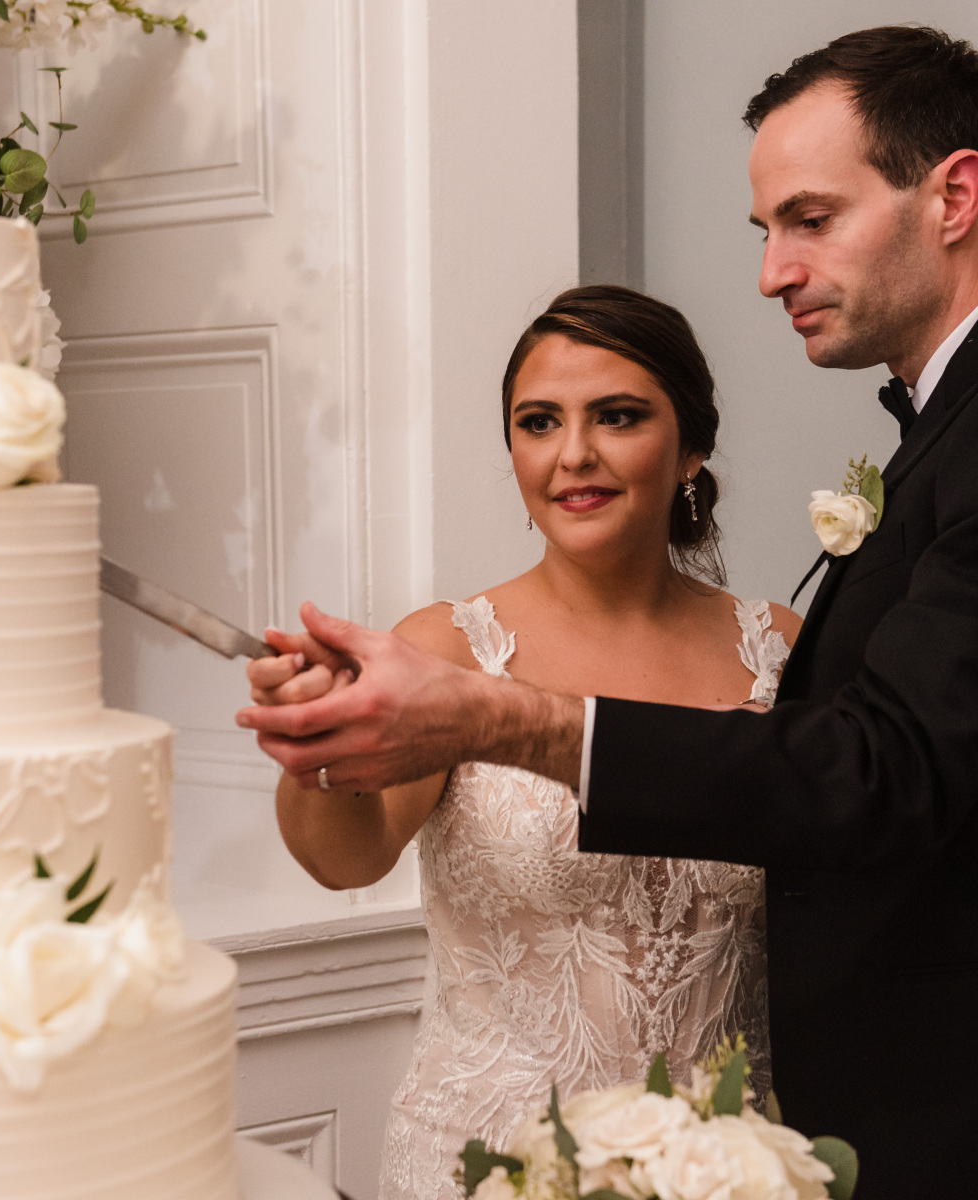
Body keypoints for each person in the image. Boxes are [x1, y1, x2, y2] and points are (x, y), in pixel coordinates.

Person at [240, 26, 978, 1200]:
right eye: (766, 230)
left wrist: (502, 721)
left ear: (953, 195)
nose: (773, 272)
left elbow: (878, 773)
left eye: (810, 220)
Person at [248, 286, 799, 1200]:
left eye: (617, 416)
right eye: (539, 423)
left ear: (692, 447)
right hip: (490, 1165)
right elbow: (348, 858)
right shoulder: (448, 649)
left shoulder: (780, 650)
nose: (573, 454)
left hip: (725, 1169)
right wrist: (314, 748)